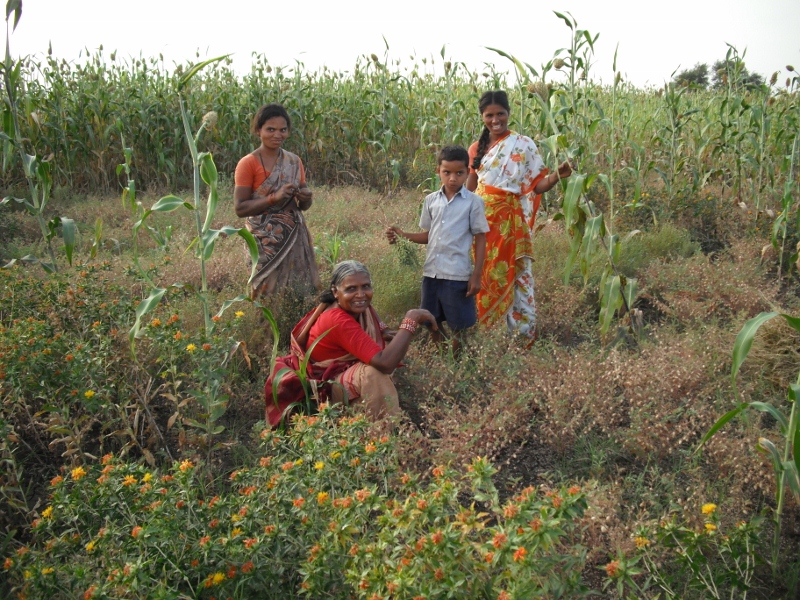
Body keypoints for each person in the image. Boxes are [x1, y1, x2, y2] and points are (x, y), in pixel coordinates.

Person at [264, 261, 437, 427]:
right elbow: (385, 363)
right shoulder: (337, 319)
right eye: (351, 289)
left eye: (366, 286)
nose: (361, 294)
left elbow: (379, 328)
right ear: (335, 291)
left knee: (389, 344)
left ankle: (367, 415)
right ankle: (379, 436)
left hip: (341, 376)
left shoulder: (358, 307)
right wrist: (411, 320)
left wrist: (388, 333)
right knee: (374, 373)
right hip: (325, 391)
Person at [466, 90, 572, 339]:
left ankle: (521, 337)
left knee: (518, 278)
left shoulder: (524, 145)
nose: (495, 120)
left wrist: (557, 175)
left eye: (500, 114)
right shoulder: (475, 149)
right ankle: (489, 337)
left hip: (511, 224)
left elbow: (537, 186)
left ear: (508, 113)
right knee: (483, 275)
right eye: (489, 115)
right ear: (482, 116)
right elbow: (469, 189)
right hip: (482, 225)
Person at [385, 145, 489, 355]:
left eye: (459, 173)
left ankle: (458, 359)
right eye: (447, 172)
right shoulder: (431, 200)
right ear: (438, 172)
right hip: (431, 273)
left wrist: (477, 275)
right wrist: (402, 236)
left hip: (457, 275)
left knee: (460, 325)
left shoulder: (473, 203)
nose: (452, 178)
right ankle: (444, 356)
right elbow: (428, 235)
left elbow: (480, 238)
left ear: (468, 172)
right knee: (430, 320)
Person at [234, 103, 320, 299]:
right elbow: (240, 207)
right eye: (270, 129)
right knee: (267, 293)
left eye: (283, 130)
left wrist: (306, 197)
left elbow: (303, 206)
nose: (277, 135)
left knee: (300, 292)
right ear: (258, 130)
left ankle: (296, 329)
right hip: (264, 241)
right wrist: (274, 197)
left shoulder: (293, 161)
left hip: (294, 236)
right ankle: (267, 330)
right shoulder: (248, 163)